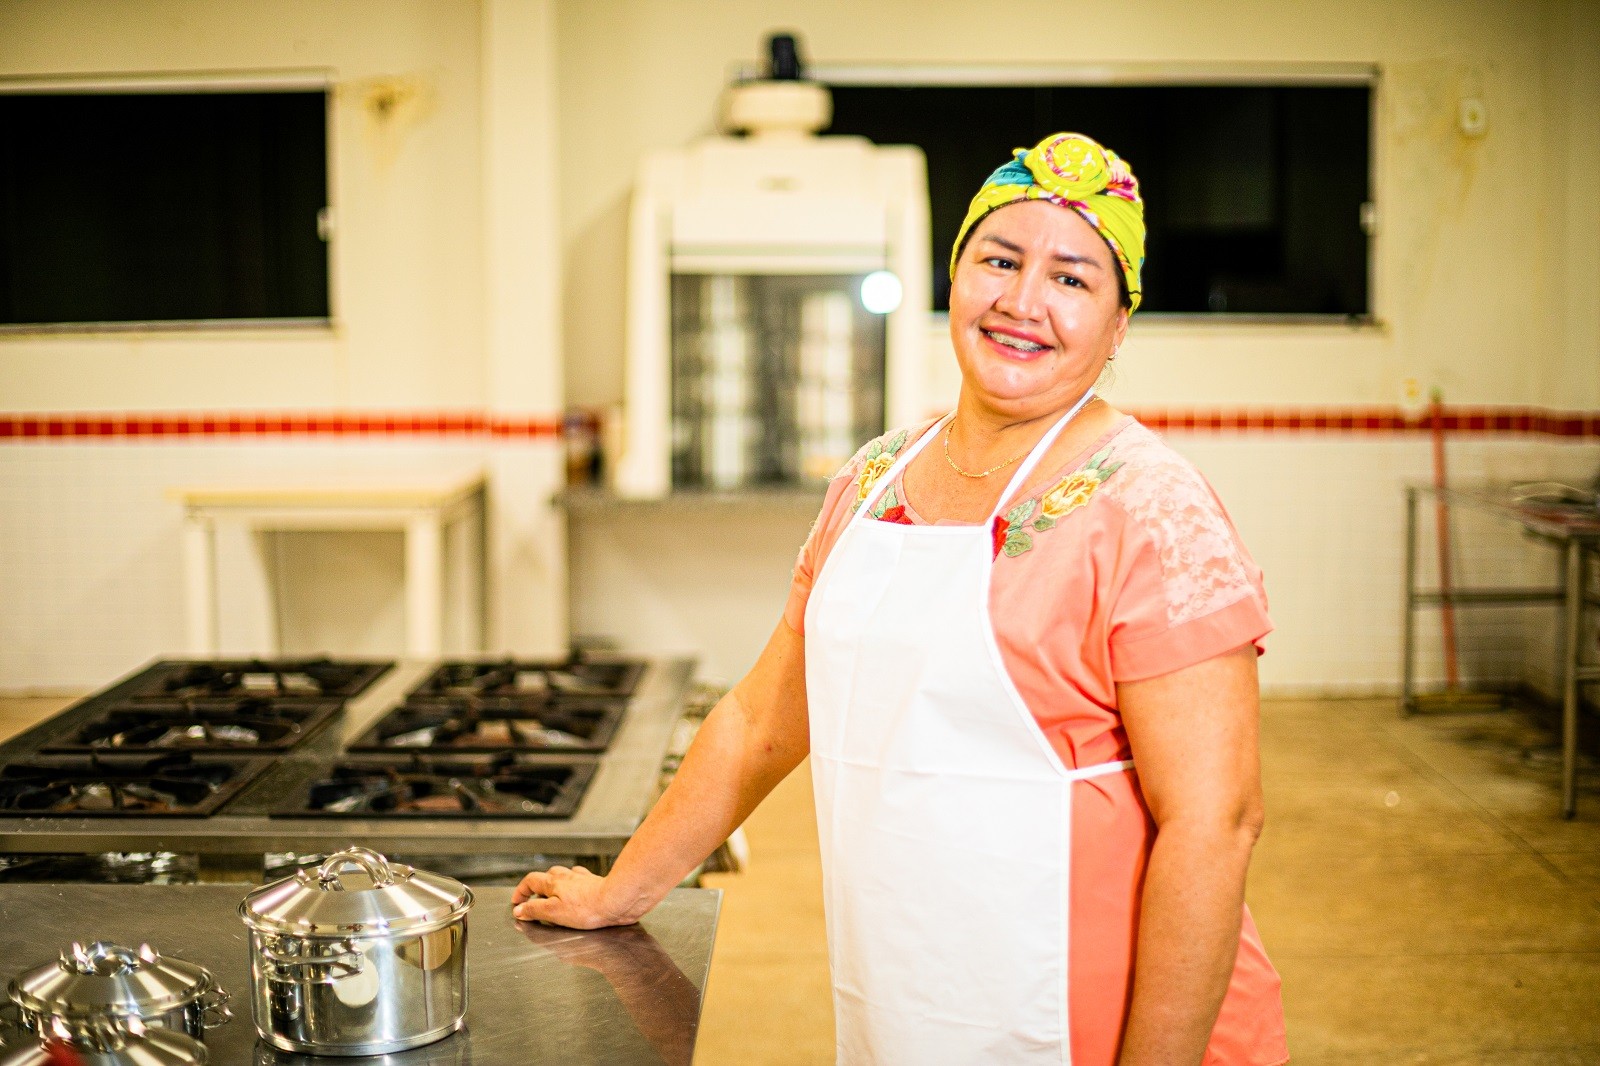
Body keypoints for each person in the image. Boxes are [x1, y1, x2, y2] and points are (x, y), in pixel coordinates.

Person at [514, 132, 1289, 1066]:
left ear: (1119, 324)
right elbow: (764, 716)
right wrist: (621, 892)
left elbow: (1216, 822)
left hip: (1096, 1015)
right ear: (954, 276)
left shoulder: (1150, 507)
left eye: (1072, 279)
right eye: (998, 260)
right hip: (914, 993)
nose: (1021, 300)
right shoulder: (878, 477)